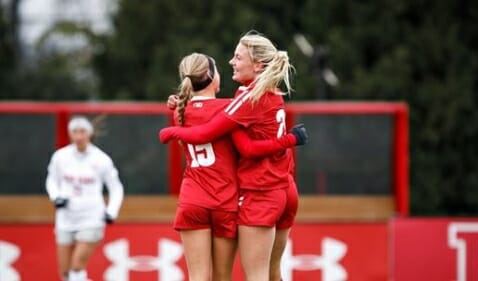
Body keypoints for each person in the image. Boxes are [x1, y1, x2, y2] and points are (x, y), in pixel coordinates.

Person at [159, 31, 305, 281]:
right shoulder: (270, 92)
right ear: (212, 78)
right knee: (271, 274)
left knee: (249, 276)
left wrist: (173, 124)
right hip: (283, 187)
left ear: (258, 65)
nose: (231, 62)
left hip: (257, 192)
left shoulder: (232, 101)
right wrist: (290, 140)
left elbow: (213, 132)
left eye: (237, 57)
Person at [46, 116, 124, 281]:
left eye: (82, 132)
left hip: (91, 217)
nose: (79, 136)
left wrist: (111, 211)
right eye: (75, 132)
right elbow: (51, 179)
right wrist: (56, 197)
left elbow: (116, 187)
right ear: (70, 134)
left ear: (89, 133)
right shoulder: (60, 157)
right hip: (66, 218)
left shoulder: (101, 159)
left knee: (77, 266)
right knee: (65, 272)